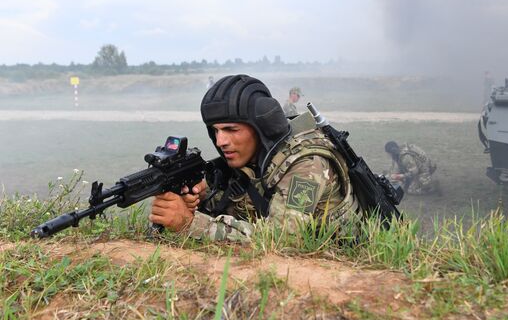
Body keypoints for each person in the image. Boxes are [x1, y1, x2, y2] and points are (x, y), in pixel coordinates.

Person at [149, 75, 362, 242]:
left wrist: (190, 223)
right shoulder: (254, 160)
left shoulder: (308, 167)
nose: (221, 140)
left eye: (231, 129)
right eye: (215, 131)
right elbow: (246, 205)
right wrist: (201, 198)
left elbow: (280, 241)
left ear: (261, 129)